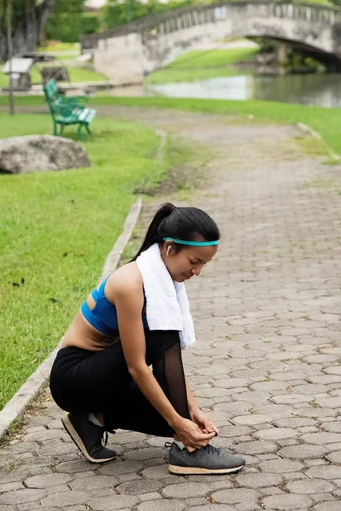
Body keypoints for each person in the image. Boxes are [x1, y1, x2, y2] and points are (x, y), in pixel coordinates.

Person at [49, 203, 245, 475]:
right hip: (73, 378)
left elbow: (164, 360)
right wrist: (178, 423)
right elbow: (138, 365)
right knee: (175, 414)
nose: (197, 272)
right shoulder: (130, 283)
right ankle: (187, 452)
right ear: (169, 248)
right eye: (193, 262)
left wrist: (191, 410)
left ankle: (91, 420)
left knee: (182, 420)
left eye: (203, 265)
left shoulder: (160, 281)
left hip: (106, 376)